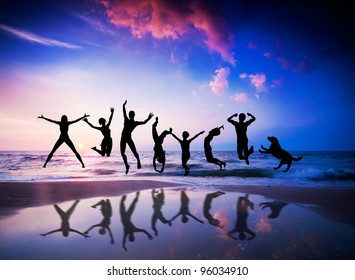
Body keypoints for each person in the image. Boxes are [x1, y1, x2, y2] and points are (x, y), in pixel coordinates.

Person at [120, 100, 154, 174]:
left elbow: (124, 112)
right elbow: (144, 122)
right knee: (131, 152)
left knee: (124, 153)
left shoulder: (127, 120)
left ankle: (129, 164)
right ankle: (134, 162)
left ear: (130, 115)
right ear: (133, 115)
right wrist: (149, 118)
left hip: (124, 138)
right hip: (127, 138)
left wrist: (124, 105)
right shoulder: (134, 123)